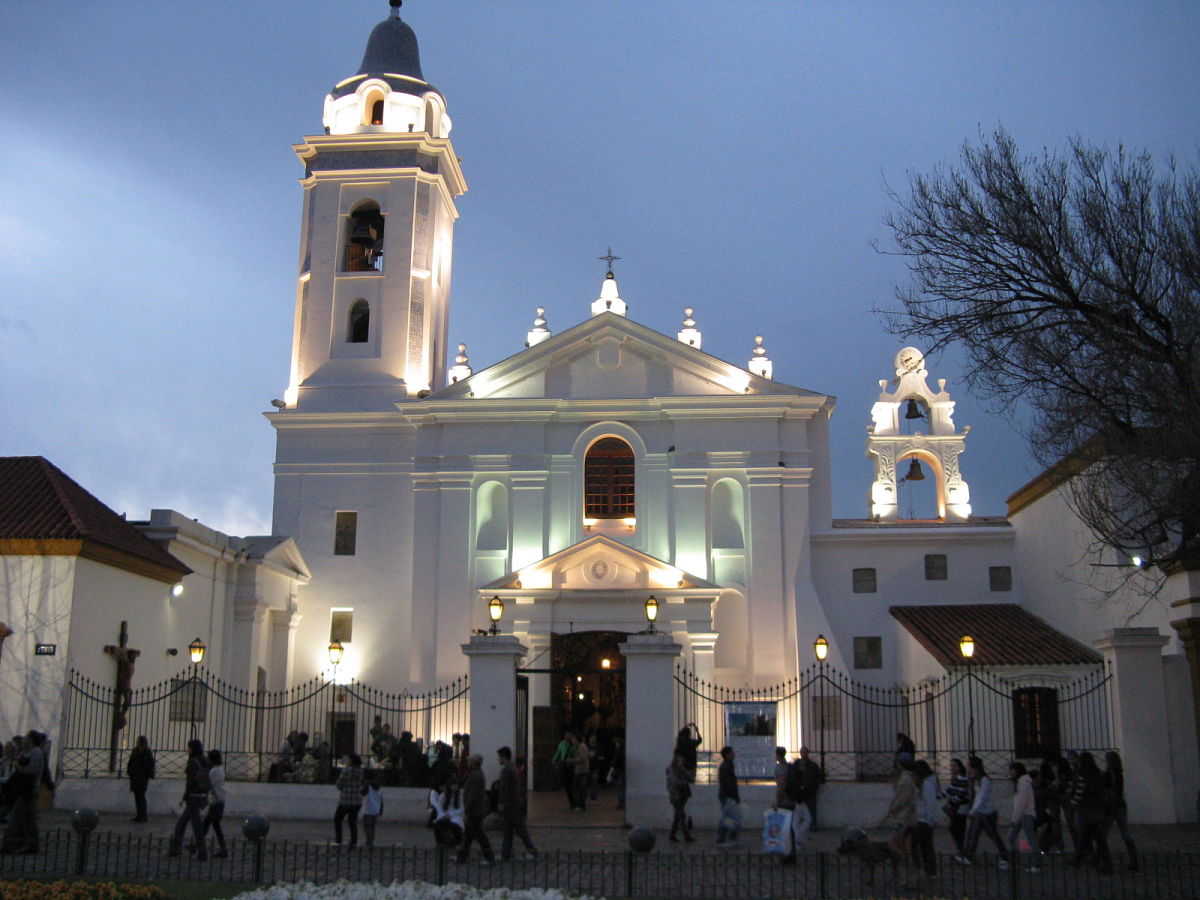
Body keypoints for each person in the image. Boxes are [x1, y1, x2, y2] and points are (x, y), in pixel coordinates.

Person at [956, 756, 1011, 869]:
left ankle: (1005, 857)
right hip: (980, 812)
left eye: (970, 767)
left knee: (993, 836)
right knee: (973, 834)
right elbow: (977, 797)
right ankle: (967, 857)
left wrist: (973, 810)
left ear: (975, 768)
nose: (968, 769)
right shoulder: (977, 780)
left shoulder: (984, 780)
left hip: (988, 813)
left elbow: (982, 797)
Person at [1, 730, 45, 854]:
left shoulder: (36, 753)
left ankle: (10, 844)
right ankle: (28, 844)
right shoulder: (29, 752)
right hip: (25, 790)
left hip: (29, 790)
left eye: (26, 737)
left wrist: (19, 766)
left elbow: (31, 771)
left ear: (31, 739)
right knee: (27, 819)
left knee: (16, 817)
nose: (24, 740)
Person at [168, 739, 210, 861]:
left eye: (189, 747)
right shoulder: (204, 760)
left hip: (193, 797)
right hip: (201, 795)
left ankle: (201, 852)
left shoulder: (193, 762)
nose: (187, 750)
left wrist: (185, 797)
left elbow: (190, 782)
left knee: (194, 826)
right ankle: (175, 848)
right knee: (182, 823)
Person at [1071, 751, 1112, 873]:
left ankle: (1082, 859)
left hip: (1085, 809)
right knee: (1092, 836)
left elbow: (1079, 793)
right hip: (1096, 809)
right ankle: (1083, 859)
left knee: (1089, 836)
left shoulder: (1083, 775)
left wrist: (1073, 805)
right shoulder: (1098, 774)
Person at [497, 746, 537, 860]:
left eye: (499, 757)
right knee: (511, 830)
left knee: (517, 830)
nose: (498, 759)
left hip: (511, 805)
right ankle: (506, 853)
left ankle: (531, 850)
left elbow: (505, 789)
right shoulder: (512, 768)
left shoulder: (506, 770)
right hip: (514, 803)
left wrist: (502, 803)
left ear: (503, 757)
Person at [1103, 750, 1138, 872]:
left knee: (1102, 835)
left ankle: (1105, 862)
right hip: (1120, 806)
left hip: (1110, 808)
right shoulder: (1119, 774)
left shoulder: (1107, 774)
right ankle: (1134, 860)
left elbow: (1106, 791)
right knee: (1125, 834)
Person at [457, 753, 495, 864]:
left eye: (470, 761)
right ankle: (462, 856)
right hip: (475, 810)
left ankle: (489, 857)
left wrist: (468, 808)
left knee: (479, 834)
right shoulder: (474, 774)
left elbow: (472, 795)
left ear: (474, 763)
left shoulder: (475, 776)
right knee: (469, 835)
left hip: (475, 810)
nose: (468, 763)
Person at [1008, 762, 1041, 873]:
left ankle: (1036, 865)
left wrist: (1014, 819)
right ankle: (1014, 861)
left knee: (1030, 841)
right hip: (1023, 815)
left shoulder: (1023, 783)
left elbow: (1021, 803)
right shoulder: (1022, 782)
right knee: (1012, 837)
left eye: (1012, 770)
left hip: (1025, 815)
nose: (1010, 772)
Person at [913, 759, 939, 876]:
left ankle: (925, 869)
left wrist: (931, 820)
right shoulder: (921, 785)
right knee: (926, 846)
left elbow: (930, 803)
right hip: (920, 819)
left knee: (920, 846)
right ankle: (930, 870)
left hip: (923, 820)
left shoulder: (927, 785)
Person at [200, 749, 228, 858]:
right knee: (207, 824)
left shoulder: (213, 771)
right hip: (219, 800)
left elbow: (207, 784)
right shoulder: (219, 770)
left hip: (215, 801)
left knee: (214, 826)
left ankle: (223, 849)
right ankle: (198, 844)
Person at [333, 753, 364, 847]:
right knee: (352, 822)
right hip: (357, 801)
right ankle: (353, 840)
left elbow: (339, 784)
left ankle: (339, 839)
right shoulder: (360, 771)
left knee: (337, 820)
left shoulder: (346, 770)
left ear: (351, 760)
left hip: (345, 800)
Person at [942, 758, 971, 855]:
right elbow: (948, 790)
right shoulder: (955, 778)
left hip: (960, 807)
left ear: (959, 767)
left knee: (956, 829)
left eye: (954, 765)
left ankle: (962, 850)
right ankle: (961, 849)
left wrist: (950, 804)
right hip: (957, 807)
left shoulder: (962, 778)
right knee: (956, 829)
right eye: (951, 765)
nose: (952, 768)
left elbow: (961, 794)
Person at [715, 745, 741, 846]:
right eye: (732, 752)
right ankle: (723, 838)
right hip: (727, 796)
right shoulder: (726, 766)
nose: (734, 754)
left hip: (727, 795)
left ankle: (730, 837)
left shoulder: (728, 764)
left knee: (731, 817)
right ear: (727, 754)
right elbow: (728, 783)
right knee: (728, 817)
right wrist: (734, 796)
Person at [127, 735, 155, 823]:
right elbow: (131, 762)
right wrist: (130, 771)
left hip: (142, 777)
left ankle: (143, 816)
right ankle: (139, 815)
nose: (138, 742)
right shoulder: (135, 750)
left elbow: (150, 764)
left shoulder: (147, 751)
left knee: (141, 797)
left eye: (139, 741)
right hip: (135, 777)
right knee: (137, 797)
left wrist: (148, 774)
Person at [431, 776, 465, 848]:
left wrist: (452, 814)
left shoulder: (460, 795)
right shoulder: (443, 795)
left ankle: (458, 842)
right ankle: (439, 842)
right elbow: (439, 807)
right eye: (453, 785)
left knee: (456, 826)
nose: (454, 787)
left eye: (456, 785)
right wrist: (444, 815)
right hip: (445, 815)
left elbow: (462, 808)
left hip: (456, 815)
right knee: (438, 825)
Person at [666, 754, 694, 842]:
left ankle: (672, 835)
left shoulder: (682, 771)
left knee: (677, 817)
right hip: (676, 796)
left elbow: (691, 779)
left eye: (682, 762)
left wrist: (685, 771)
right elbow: (675, 782)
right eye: (679, 762)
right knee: (682, 816)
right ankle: (686, 835)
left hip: (682, 796)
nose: (681, 763)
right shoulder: (672, 771)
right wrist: (684, 782)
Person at [551, 730, 577, 810]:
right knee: (567, 785)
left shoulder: (575, 744)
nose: (567, 737)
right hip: (564, 765)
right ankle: (572, 803)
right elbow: (558, 753)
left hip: (572, 766)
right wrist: (554, 761)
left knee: (572, 785)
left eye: (569, 736)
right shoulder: (562, 744)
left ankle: (575, 802)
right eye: (566, 736)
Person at [361, 771, 384, 849]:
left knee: (367, 827)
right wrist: (381, 810)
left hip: (368, 809)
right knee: (372, 827)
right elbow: (381, 799)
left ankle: (369, 842)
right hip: (376, 809)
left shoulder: (367, 785)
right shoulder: (379, 786)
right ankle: (371, 841)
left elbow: (362, 793)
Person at [571, 732, 591, 812]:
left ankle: (581, 805)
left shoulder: (582, 747)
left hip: (581, 771)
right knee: (579, 788)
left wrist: (572, 761)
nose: (573, 740)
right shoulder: (579, 747)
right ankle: (580, 804)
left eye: (574, 739)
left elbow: (582, 759)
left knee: (580, 788)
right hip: (580, 770)